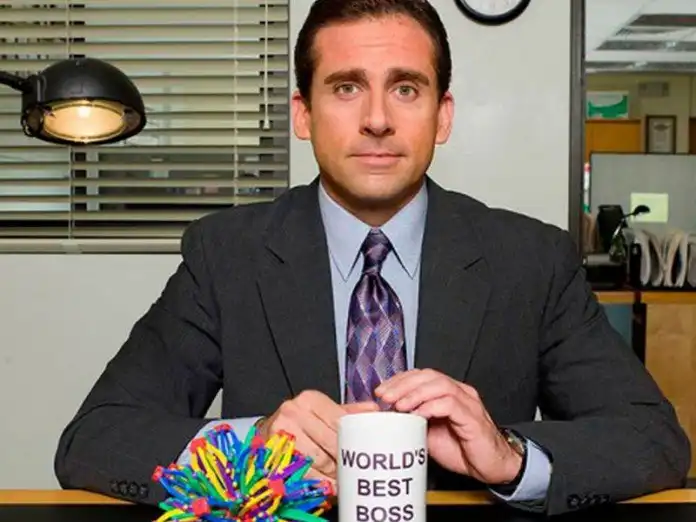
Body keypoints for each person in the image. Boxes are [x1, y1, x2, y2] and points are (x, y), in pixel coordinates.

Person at [54, 0, 690, 516]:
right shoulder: (227, 254)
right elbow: (95, 439)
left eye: (406, 89)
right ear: (303, 114)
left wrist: (509, 456)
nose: (378, 119)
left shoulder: (532, 259)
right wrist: (249, 446)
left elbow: (653, 440)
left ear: (443, 116)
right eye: (346, 87)